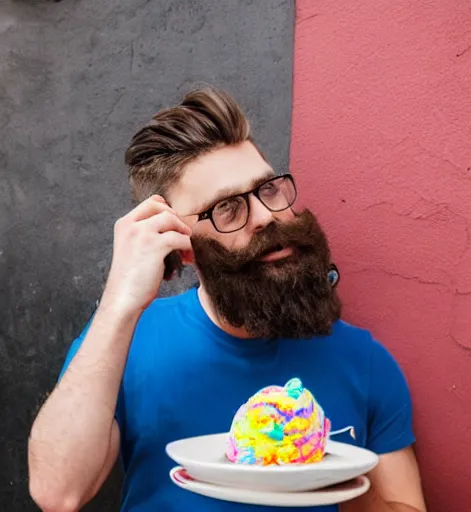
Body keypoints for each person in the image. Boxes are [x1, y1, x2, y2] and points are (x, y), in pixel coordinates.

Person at [28, 87, 426, 512]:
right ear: (180, 246)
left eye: (268, 189)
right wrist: (118, 303)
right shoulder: (126, 343)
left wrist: (335, 480)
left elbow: (404, 504)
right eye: (228, 208)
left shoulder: (362, 359)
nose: (266, 216)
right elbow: (58, 492)